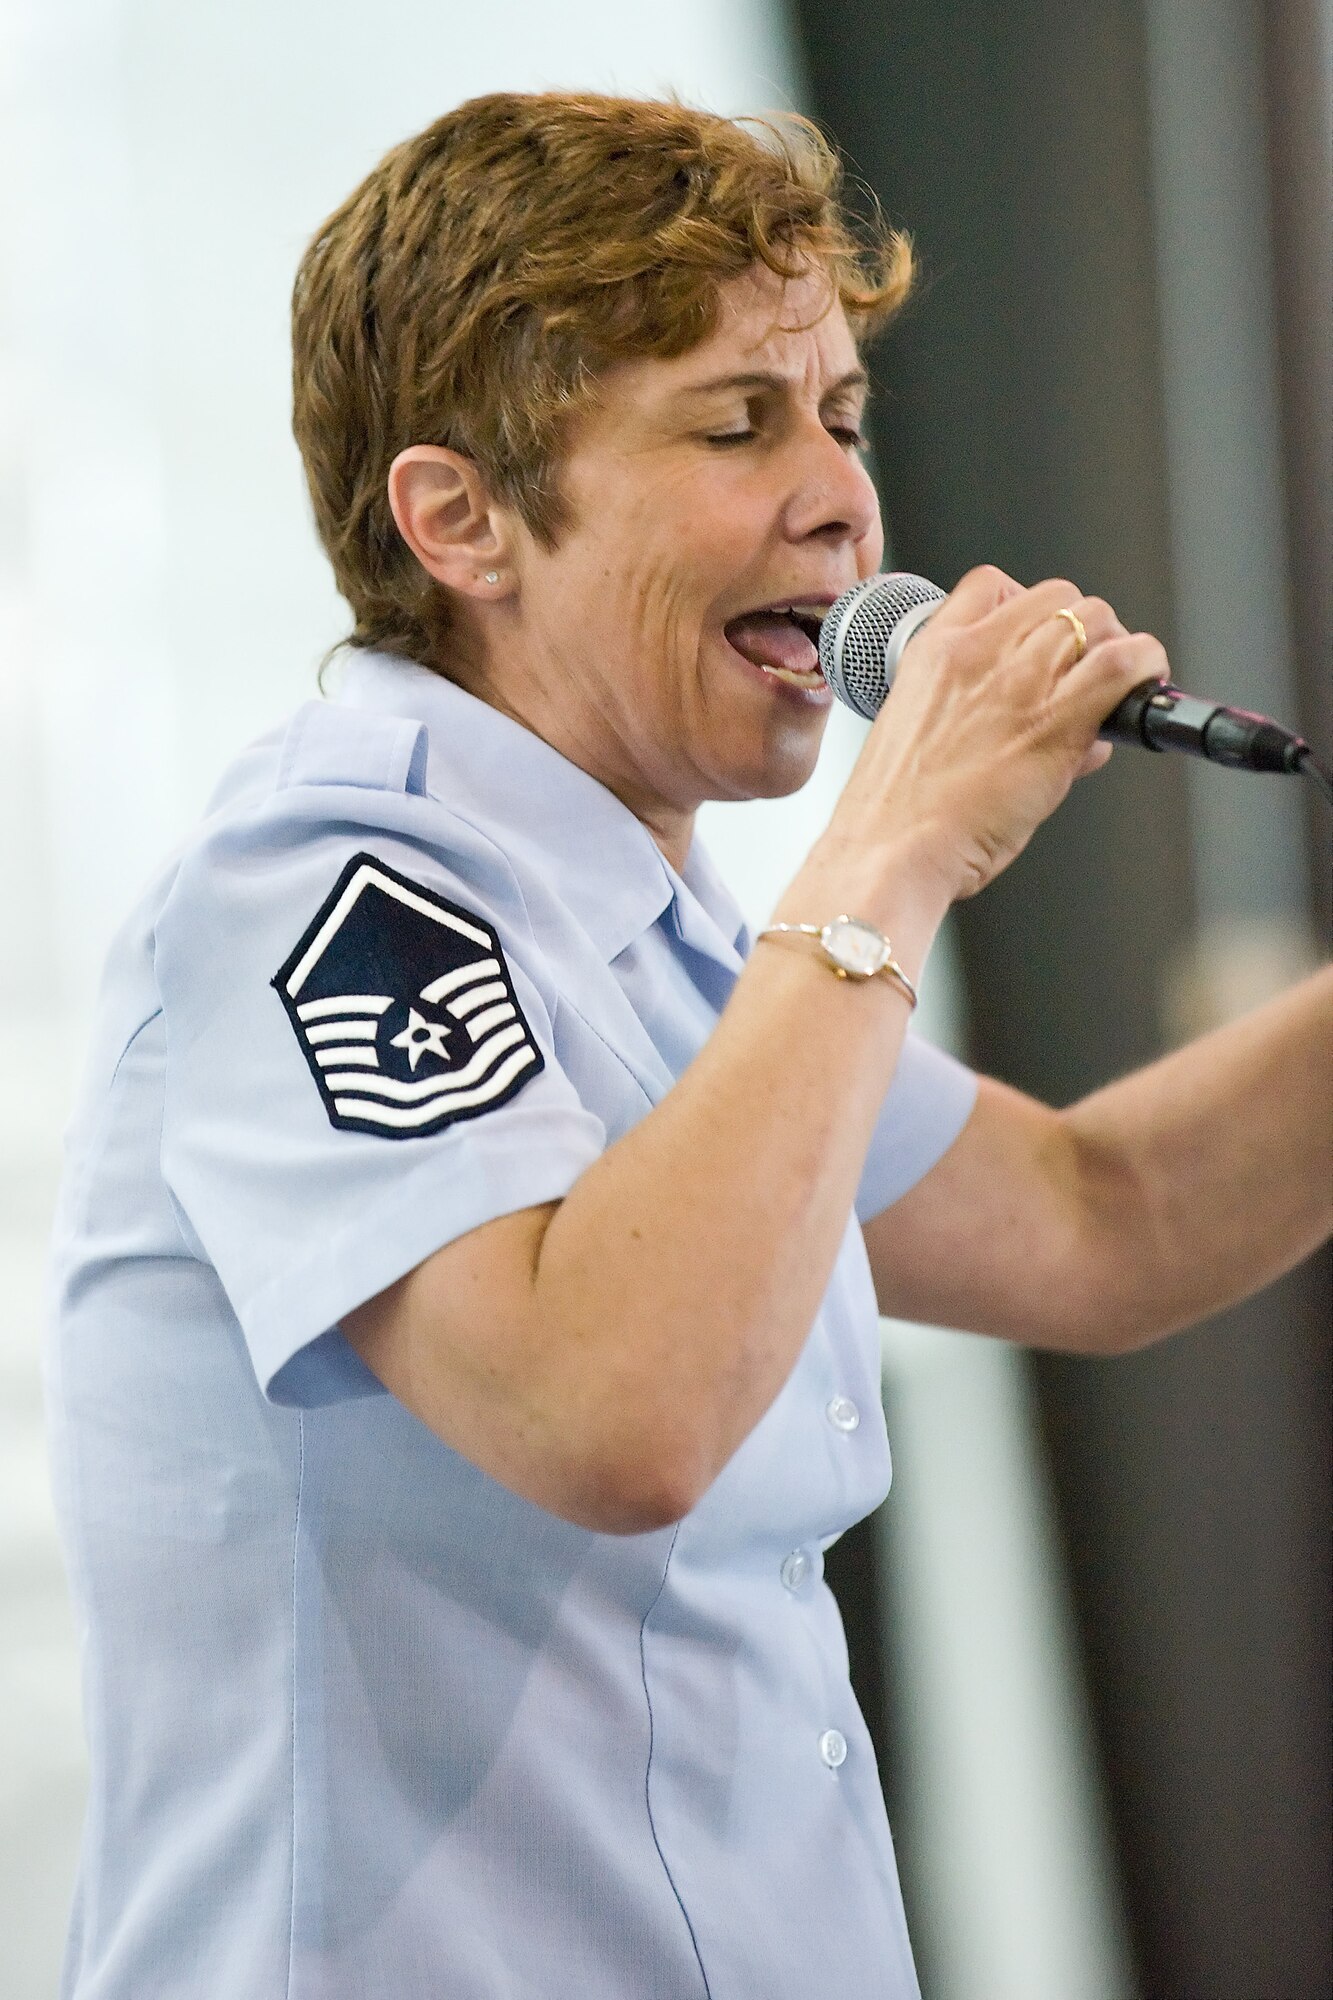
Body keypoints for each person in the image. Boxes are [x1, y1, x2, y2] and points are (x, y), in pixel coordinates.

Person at [46, 92, 1331, 2000]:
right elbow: (611, 1410)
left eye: (842, 419)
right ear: (459, 518)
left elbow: (1100, 1217)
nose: (839, 499)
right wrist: (897, 846)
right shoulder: (319, 892)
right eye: (738, 424)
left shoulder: (658, 948)